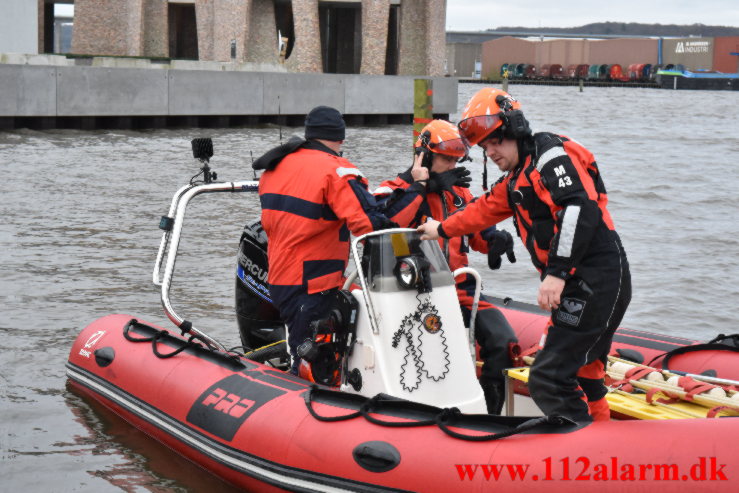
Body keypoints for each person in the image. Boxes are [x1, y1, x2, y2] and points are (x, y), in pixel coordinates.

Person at [417, 88, 631, 422]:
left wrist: (556, 274)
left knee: (548, 378)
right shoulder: (518, 177)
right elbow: (482, 210)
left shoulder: (550, 155)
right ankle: (599, 444)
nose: (491, 153)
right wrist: (440, 230)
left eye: (494, 143)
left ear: (514, 129)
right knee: (586, 372)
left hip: (594, 277)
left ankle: (580, 449)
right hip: (584, 280)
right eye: (485, 147)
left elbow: (579, 209)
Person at [253, 105, 424, 380]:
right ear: (340, 137)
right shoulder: (335, 171)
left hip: (281, 276)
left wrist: (404, 181)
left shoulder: (276, 168)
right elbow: (368, 224)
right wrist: (418, 190)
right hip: (313, 282)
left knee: (301, 344)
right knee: (312, 361)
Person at [374, 119, 518, 414]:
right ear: (424, 156)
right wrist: (420, 188)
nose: (452, 166)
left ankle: (489, 414)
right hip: (408, 295)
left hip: (457, 291)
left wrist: (496, 241)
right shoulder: (392, 190)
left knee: (503, 342)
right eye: (445, 159)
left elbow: (477, 231)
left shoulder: (458, 194)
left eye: (455, 159)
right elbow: (384, 228)